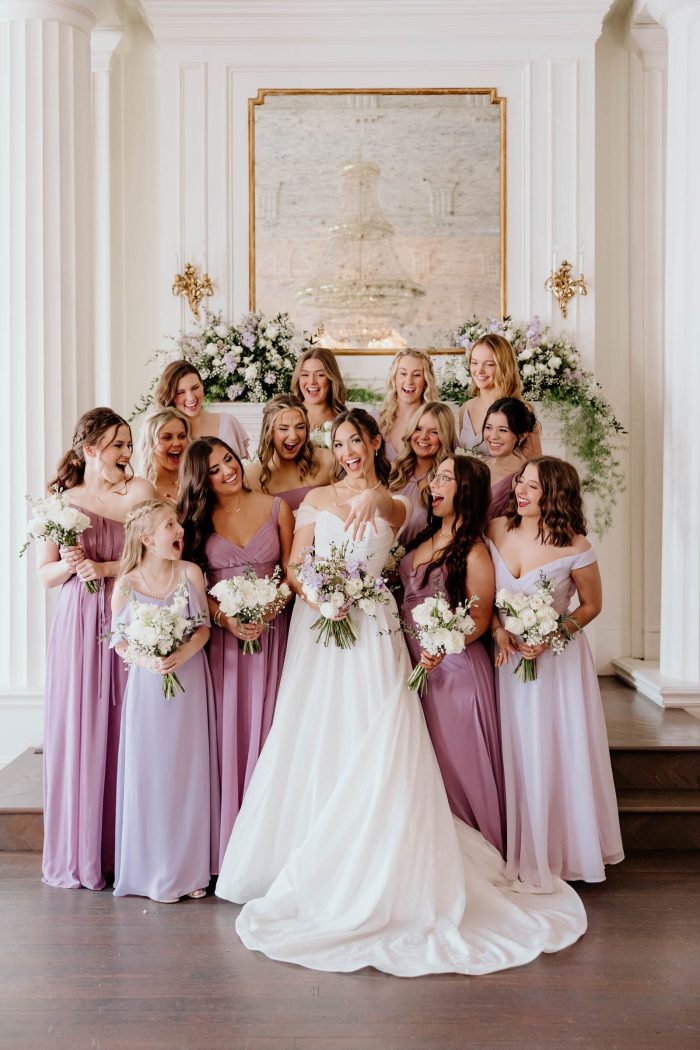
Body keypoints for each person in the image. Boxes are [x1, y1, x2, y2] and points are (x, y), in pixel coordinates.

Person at [215, 409, 586, 978]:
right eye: (337, 443)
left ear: (370, 443)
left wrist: (371, 504)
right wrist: (320, 598)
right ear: (333, 449)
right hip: (322, 633)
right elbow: (294, 567)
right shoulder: (314, 501)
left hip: (375, 632)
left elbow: (389, 512)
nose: (347, 450)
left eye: (355, 440)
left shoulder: (399, 501)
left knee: (380, 731)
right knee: (315, 732)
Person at [487, 457, 624, 892]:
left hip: (557, 663)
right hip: (508, 661)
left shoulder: (576, 546)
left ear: (555, 495)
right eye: (520, 483)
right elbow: (483, 594)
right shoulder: (495, 530)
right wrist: (496, 631)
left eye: (533, 487)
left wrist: (551, 634)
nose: (521, 492)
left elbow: (590, 606)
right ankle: (520, 844)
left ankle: (564, 852)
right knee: (518, 748)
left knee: (556, 748)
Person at [37, 408, 156, 889]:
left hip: (129, 610)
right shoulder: (61, 502)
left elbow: (152, 556)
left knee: (131, 723)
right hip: (79, 620)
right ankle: (83, 851)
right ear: (90, 450)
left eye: (129, 445)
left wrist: (105, 570)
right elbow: (44, 576)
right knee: (82, 724)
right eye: (118, 446)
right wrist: (68, 563)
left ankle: (127, 851)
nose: (127, 454)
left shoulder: (140, 492)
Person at [179, 438, 294, 870]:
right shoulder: (196, 519)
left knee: (274, 733)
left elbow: (291, 573)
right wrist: (225, 619)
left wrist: (271, 606)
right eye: (215, 468)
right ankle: (228, 850)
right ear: (200, 479)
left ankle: (270, 851)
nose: (228, 469)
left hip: (275, 635)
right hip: (224, 643)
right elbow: (191, 582)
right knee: (227, 735)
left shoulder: (276, 508)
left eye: (229, 459)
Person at [111, 499, 219, 903]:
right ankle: (151, 870)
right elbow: (117, 640)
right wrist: (147, 659)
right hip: (148, 689)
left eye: (177, 523)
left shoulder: (190, 573)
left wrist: (182, 655)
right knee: (151, 775)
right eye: (169, 525)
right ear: (147, 538)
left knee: (188, 775)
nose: (179, 531)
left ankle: (190, 871)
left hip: (189, 681)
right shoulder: (127, 584)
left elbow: (204, 629)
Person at [399, 455, 505, 853]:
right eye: (435, 476)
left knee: (461, 764)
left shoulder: (474, 550)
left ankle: (478, 850)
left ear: (467, 491)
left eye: (446, 478)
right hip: (415, 663)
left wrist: (442, 645)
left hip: (455, 670)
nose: (434, 485)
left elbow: (478, 618)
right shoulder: (422, 539)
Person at [245, 394, 333, 513]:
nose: (293, 436)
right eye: (283, 428)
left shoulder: (326, 460)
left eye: (300, 427)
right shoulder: (251, 476)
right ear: (269, 432)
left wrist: (368, 495)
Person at [458, 335, 541, 458]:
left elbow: (536, 465)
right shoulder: (465, 409)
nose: (479, 370)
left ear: (504, 367)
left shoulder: (522, 411)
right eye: (474, 363)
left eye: (489, 364)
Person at [154, 360, 249, 462]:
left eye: (195, 388)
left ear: (202, 385)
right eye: (180, 392)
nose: (191, 398)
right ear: (170, 396)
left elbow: (244, 468)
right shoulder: (169, 437)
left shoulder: (228, 422)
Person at [388, 401, 456, 544]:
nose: (423, 437)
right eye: (418, 429)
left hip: (417, 561)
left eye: (434, 432)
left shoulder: (446, 484)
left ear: (444, 437)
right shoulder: (393, 471)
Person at [377, 350, 439, 461]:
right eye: (403, 373)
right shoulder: (376, 420)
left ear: (426, 381)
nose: (409, 381)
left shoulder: (438, 422)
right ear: (394, 378)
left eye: (416, 375)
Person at [481, 397, 537, 519]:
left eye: (503, 430)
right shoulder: (479, 465)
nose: (493, 436)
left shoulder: (523, 477)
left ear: (522, 436)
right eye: (488, 427)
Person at [290, 347, 347, 446]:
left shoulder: (344, 419)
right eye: (305, 375)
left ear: (331, 379)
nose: (312, 381)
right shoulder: (285, 415)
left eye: (320, 375)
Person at [137, 407, 191, 504]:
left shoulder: (196, 482)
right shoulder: (139, 489)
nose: (177, 443)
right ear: (150, 443)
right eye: (167, 437)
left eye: (182, 436)